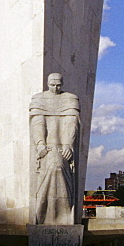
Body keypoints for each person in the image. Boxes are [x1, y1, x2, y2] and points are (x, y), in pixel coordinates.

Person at [29, 72, 80, 224]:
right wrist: (40, 144)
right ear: (47, 84)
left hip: (63, 147)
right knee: (53, 169)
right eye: (52, 85)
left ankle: (64, 216)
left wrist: (68, 145)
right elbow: (37, 123)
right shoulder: (40, 99)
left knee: (60, 170)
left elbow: (72, 123)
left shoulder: (70, 99)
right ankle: (43, 214)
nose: (55, 88)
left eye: (58, 85)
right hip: (47, 148)